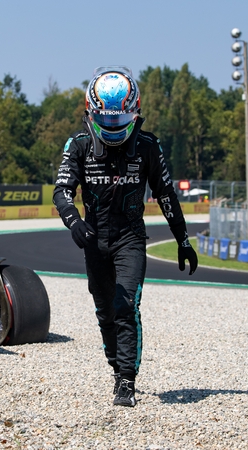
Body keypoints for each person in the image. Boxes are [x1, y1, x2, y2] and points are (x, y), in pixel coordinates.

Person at [53, 66, 198, 408]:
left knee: (125, 305)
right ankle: (116, 368)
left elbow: (166, 194)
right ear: (91, 112)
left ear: (135, 111)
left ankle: (127, 380)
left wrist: (183, 240)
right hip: (94, 238)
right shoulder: (78, 144)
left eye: (120, 119)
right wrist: (73, 221)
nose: (114, 127)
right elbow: (61, 191)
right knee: (105, 311)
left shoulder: (148, 145)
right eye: (107, 120)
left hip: (130, 236)